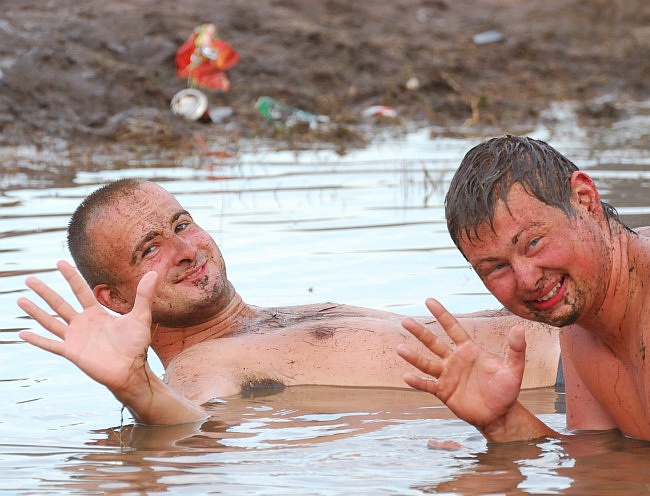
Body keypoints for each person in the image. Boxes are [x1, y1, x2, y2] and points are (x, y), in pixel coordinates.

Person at [17, 178, 560, 426]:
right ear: (111, 298)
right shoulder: (197, 367)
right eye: (150, 249)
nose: (185, 249)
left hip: (579, 336)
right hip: (564, 379)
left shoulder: (266, 320)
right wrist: (139, 391)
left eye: (182, 224)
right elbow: (190, 426)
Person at [396, 135, 650, 461]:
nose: (527, 279)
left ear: (585, 200)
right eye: (496, 268)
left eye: (534, 242)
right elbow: (598, 469)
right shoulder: (582, 313)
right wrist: (502, 425)